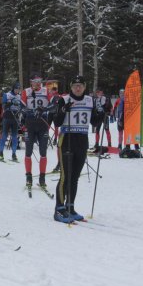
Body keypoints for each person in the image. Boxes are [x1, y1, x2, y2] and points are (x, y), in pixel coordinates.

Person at [53, 76, 102, 223]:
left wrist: (102, 113)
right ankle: (59, 209)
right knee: (65, 177)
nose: (78, 88)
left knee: (74, 177)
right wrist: (63, 110)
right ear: (71, 87)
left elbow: (94, 121)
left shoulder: (89, 100)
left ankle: (70, 207)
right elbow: (56, 121)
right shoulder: (65, 99)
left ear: (85, 86)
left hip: (82, 140)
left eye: (80, 85)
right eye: (75, 86)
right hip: (67, 139)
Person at [21, 74, 52, 188]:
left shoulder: (46, 91)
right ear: (31, 82)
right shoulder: (26, 91)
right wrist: (29, 111)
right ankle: (28, 177)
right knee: (28, 152)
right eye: (35, 81)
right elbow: (22, 107)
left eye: (39, 81)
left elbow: (53, 104)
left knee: (43, 152)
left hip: (43, 124)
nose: (38, 83)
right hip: (30, 125)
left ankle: (42, 178)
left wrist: (43, 108)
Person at [0, 82, 23, 161]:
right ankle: (1, 153)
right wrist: (11, 103)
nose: (17, 91)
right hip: (7, 117)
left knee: (15, 137)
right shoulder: (7, 95)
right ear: (13, 88)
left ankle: (14, 154)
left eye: (18, 89)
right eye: (16, 89)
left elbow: (22, 106)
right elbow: (3, 106)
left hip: (15, 118)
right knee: (5, 136)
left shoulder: (19, 96)